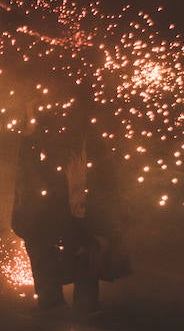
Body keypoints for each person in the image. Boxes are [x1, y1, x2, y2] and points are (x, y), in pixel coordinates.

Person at [11, 98, 130, 316]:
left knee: (82, 254)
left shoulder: (89, 144)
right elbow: (28, 174)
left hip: (79, 211)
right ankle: (56, 305)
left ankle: (79, 307)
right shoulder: (42, 144)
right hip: (52, 212)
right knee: (49, 253)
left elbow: (106, 181)